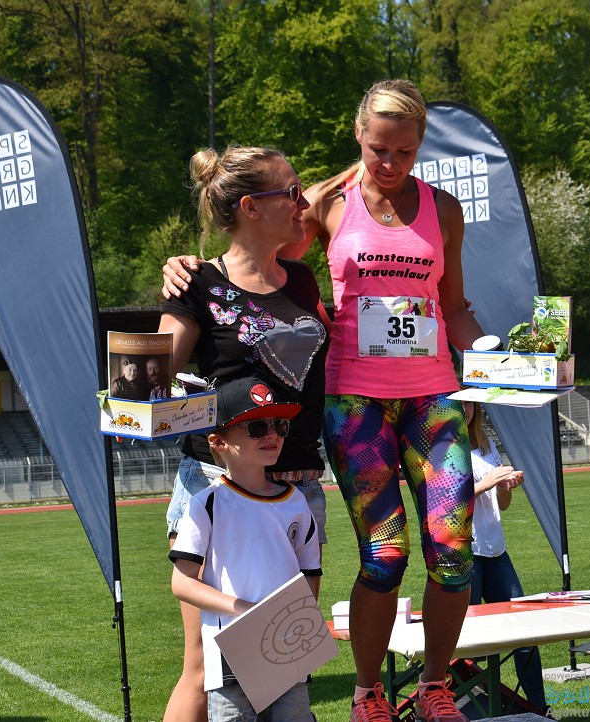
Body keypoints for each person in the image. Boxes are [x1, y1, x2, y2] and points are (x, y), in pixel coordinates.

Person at [163, 80, 485, 722]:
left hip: (431, 398)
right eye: (376, 149)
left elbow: (452, 308)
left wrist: (500, 365)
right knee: (385, 552)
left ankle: (436, 686)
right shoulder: (327, 208)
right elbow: (251, 253)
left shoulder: (444, 211)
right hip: (354, 402)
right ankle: (370, 695)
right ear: (358, 140)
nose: (388, 164)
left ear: (421, 146)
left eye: (404, 151)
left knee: (452, 548)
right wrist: (184, 269)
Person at [159, 145, 330, 722]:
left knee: (281, 666)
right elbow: (155, 385)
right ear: (253, 207)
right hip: (220, 489)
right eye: (291, 192)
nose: (302, 202)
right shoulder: (196, 283)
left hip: (297, 490)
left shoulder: (303, 280)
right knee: (206, 668)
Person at [169, 376, 321, 721]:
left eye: (279, 425)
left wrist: (299, 623)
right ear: (218, 442)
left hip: (286, 643)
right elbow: (182, 583)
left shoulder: (296, 501)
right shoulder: (205, 504)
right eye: (255, 427)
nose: (272, 435)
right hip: (232, 647)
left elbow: (310, 574)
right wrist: (243, 609)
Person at [463, 400, 547, 713]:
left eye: (470, 404)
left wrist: (507, 486)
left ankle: (539, 708)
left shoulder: (485, 444)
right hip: (465, 553)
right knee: (465, 640)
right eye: (459, 404)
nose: (466, 409)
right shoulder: (443, 448)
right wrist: (487, 482)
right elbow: (448, 501)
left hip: (495, 549)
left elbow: (505, 503)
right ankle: (468, 709)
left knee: (524, 630)